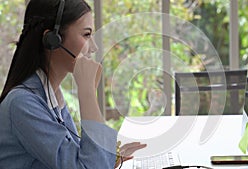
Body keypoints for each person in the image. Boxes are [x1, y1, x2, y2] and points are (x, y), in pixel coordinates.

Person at [0, 0, 146, 168]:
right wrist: (87, 92)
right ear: (53, 40)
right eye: (86, 35)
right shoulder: (23, 103)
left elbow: (77, 159)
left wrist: (110, 158)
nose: (94, 47)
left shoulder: (51, 95)